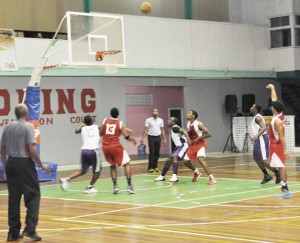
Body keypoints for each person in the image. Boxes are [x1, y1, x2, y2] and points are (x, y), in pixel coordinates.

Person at [0, 103, 51, 242]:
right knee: (34, 195)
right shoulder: (28, 126)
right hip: (24, 164)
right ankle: (30, 229)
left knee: (14, 199)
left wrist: (5, 168)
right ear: (25, 113)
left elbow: (2, 149)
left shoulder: (7, 127)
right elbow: (32, 149)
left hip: (11, 164)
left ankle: (13, 233)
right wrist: (42, 165)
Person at [60, 115, 102, 194]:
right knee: (98, 171)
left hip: (84, 151)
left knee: (83, 170)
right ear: (92, 121)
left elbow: (76, 131)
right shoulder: (96, 127)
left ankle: (66, 179)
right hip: (93, 151)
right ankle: (90, 187)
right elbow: (102, 129)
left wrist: (81, 124)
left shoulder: (82, 128)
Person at [100, 107, 137, 194]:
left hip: (106, 147)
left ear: (110, 114)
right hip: (115, 146)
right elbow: (127, 137)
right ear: (118, 114)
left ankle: (115, 186)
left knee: (112, 166)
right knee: (127, 164)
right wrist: (133, 140)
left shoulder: (105, 121)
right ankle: (129, 186)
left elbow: (100, 133)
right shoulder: (120, 123)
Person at [266, 84, 292, 199]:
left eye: (272, 106)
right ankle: (284, 187)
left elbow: (281, 137)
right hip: (275, 145)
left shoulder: (277, 121)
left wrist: (285, 150)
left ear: (274, 109)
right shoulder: (280, 114)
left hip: (277, 146)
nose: (271, 106)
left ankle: (285, 189)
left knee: (281, 167)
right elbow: (274, 100)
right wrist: (273, 88)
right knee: (281, 166)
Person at [183, 110, 217, 185]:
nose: (187, 114)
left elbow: (208, 134)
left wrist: (197, 139)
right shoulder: (188, 124)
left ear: (193, 116)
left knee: (200, 159)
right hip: (193, 145)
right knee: (185, 161)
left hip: (200, 144)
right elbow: (192, 132)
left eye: (189, 113)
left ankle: (212, 178)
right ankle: (196, 172)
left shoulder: (199, 124)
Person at [249, 104, 280, 184]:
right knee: (255, 158)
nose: (251, 108)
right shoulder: (255, 117)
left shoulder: (258, 118)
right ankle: (267, 175)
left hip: (262, 139)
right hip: (258, 140)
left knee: (263, 160)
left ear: (255, 110)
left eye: (252, 107)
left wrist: (256, 135)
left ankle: (277, 172)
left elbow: (264, 127)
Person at [154, 117, 191, 182]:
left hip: (182, 146)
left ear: (173, 122)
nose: (168, 121)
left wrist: (188, 140)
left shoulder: (174, 127)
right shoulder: (173, 128)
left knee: (174, 156)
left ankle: (175, 176)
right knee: (168, 160)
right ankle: (162, 176)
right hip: (178, 146)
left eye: (170, 120)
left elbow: (183, 131)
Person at [141, 108, 167, 173]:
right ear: (152, 113)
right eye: (154, 111)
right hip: (151, 137)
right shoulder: (148, 120)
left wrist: (164, 139)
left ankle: (155, 167)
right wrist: (143, 138)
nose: (155, 112)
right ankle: (150, 167)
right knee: (152, 152)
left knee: (157, 153)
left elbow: (162, 130)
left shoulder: (161, 120)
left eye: (156, 111)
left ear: (158, 113)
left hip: (158, 137)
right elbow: (146, 130)